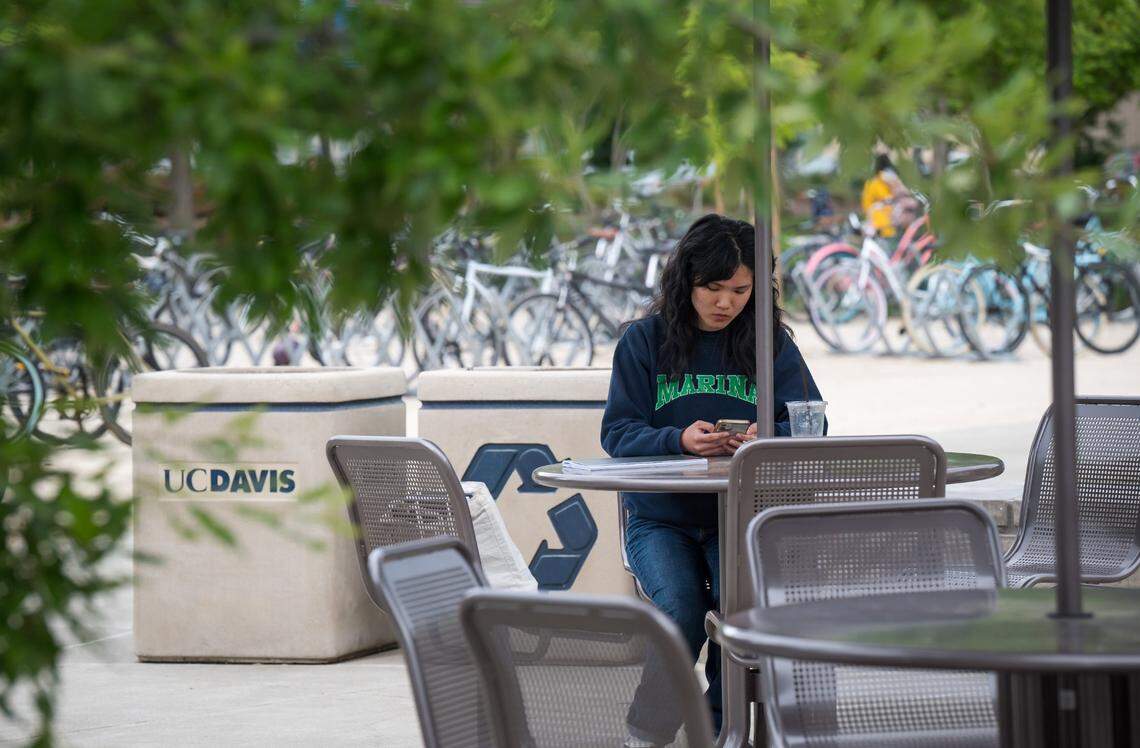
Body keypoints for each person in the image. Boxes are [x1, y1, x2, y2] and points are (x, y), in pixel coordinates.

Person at [600, 213, 824, 743]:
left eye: (741, 289)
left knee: (740, 612)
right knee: (681, 609)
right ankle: (646, 731)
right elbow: (617, 432)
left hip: (740, 517)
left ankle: (721, 725)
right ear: (687, 283)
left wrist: (765, 437)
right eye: (712, 288)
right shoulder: (643, 341)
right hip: (661, 520)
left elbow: (810, 419)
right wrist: (678, 440)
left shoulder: (770, 343)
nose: (726, 302)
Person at [861, 153, 913, 238]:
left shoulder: (874, 180)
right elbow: (887, 198)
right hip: (878, 216)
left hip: (871, 212)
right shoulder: (880, 179)